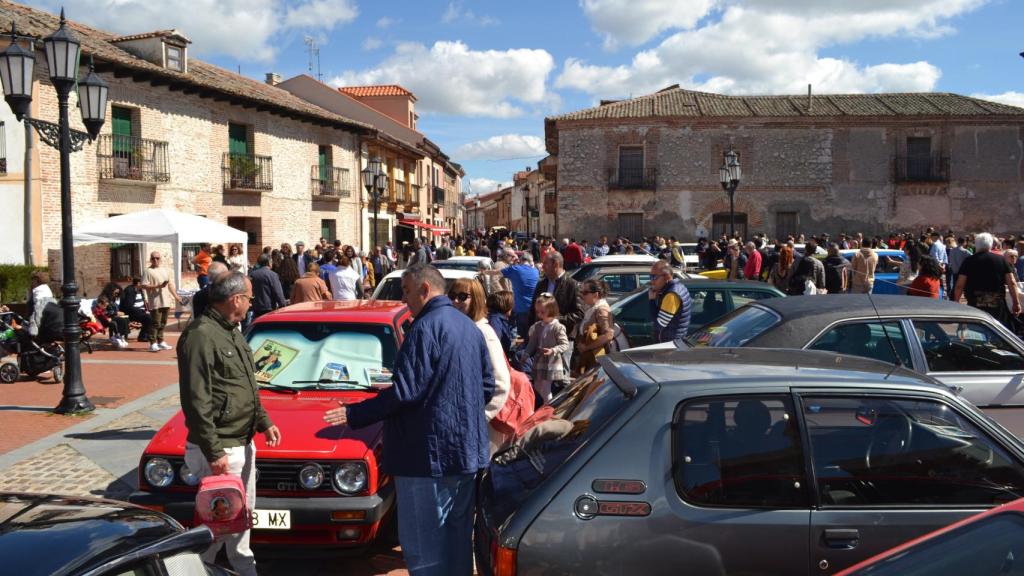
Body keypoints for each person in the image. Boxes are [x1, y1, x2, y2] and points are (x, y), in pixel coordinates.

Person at [323, 264, 494, 576]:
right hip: (463, 453)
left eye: (406, 290)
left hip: (426, 457)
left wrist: (354, 413)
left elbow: (405, 392)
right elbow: (486, 387)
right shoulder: (468, 327)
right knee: (456, 543)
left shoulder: (425, 328)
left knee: (425, 547)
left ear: (424, 290)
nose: (404, 298)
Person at [178, 271, 281, 576]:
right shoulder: (201, 335)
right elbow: (197, 399)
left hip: (241, 442)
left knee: (240, 521)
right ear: (236, 299)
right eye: (249, 298)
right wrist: (213, 451)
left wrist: (263, 421)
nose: (251, 304)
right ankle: (195, 571)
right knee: (217, 524)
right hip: (221, 446)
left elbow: (244, 383)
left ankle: (243, 568)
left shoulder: (232, 330)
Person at [448, 278, 511, 455]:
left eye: (462, 297)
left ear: (475, 299)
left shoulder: (483, 332)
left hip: (484, 428)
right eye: (452, 296)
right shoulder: (462, 327)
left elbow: (501, 383)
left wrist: (480, 417)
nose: (456, 301)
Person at [955, 233, 1022, 330]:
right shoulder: (1001, 260)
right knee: (998, 332)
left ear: (976, 245)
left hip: (975, 304)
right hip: (997, 306)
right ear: (991, 245)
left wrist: (957, 302)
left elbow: (959, 285)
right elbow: (1012, 282)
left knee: (977, 330)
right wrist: (1016, 303)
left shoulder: (968, 261)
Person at [524, 293, 570, 404]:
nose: (539, 314)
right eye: (537, 312)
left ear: (552, 310)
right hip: (540, 359)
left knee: (546, 387)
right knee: (537, 385)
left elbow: (565, 344)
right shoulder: (538, 326)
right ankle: (543, 406)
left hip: (551, 361)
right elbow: (533, 343)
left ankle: (548, 408)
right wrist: (526, 354)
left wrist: (553, 350)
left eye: (542, 312)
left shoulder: (557, 327)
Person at [527, 252, 583, 340]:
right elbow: (533, 310)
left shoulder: (572, 285)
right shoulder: (541, 284)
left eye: (545, 263)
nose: (542, 266)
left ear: (556, 264)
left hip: (562, 338)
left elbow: (579, 314)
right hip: (540, 337)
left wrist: (555, 319)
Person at [141, 251, 181, 352]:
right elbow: (144, 285)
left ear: (160, 259)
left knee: (163, 322)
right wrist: (157, 286)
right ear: (150, 259)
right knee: (155, 322)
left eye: (157, 258)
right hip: (155, 301)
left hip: (165, 300)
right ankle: (153, 343)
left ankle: (161, 341)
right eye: (153, 258)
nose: (155, 260)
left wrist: (176, 296)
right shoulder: (147, 271)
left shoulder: (165, 270)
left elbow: (170, 285)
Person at [574, 279, 615, 375]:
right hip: (589, 357)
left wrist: (586, 347)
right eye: (581, 292)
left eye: (585, 292)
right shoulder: (592, 307)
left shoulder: (601, 309)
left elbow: (608, 335)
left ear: (595, 295)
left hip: (596, 358)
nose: (582, 295)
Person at [649, 261, 692, 343]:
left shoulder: (671, 295)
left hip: (670, 345)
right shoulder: (678, 287)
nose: (651, 281)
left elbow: (659, 325)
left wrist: (652, 300)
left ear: (667, 277)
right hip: (676, 341)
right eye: (650, 276)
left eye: (654, 277)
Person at [501, 252, 540, 338]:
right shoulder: (536, 271)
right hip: (534, 308)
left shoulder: (515, 269)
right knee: (531, 335)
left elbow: (497, 273)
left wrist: (484, 272)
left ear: (521, 260)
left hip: (521, 308)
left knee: (522, 336)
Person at [250, 253, 286, 319]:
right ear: (268, 262)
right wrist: (283, 305)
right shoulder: (273, 275)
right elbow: (278, 292)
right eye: (271, 261)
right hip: (269, 308)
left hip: (256, 307)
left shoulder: (252, 275)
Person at [94, 283, 129, 348]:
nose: (116, 295)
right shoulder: (103, 298)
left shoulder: (112, 298)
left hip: (111, 316)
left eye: (117, 294)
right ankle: (118, 336)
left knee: (126, 319)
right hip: (106, 317)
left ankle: (122, 336)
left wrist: (118, 312)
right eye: (115, 293)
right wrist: (115, 313)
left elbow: (113, 309)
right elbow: (103, 310)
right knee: (121, 320)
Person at [486, 290, 515, 356]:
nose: (513, 307)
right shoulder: (495, 320)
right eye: (511, 304)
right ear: (505, 305)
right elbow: (494, 343)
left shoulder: (498, 318)